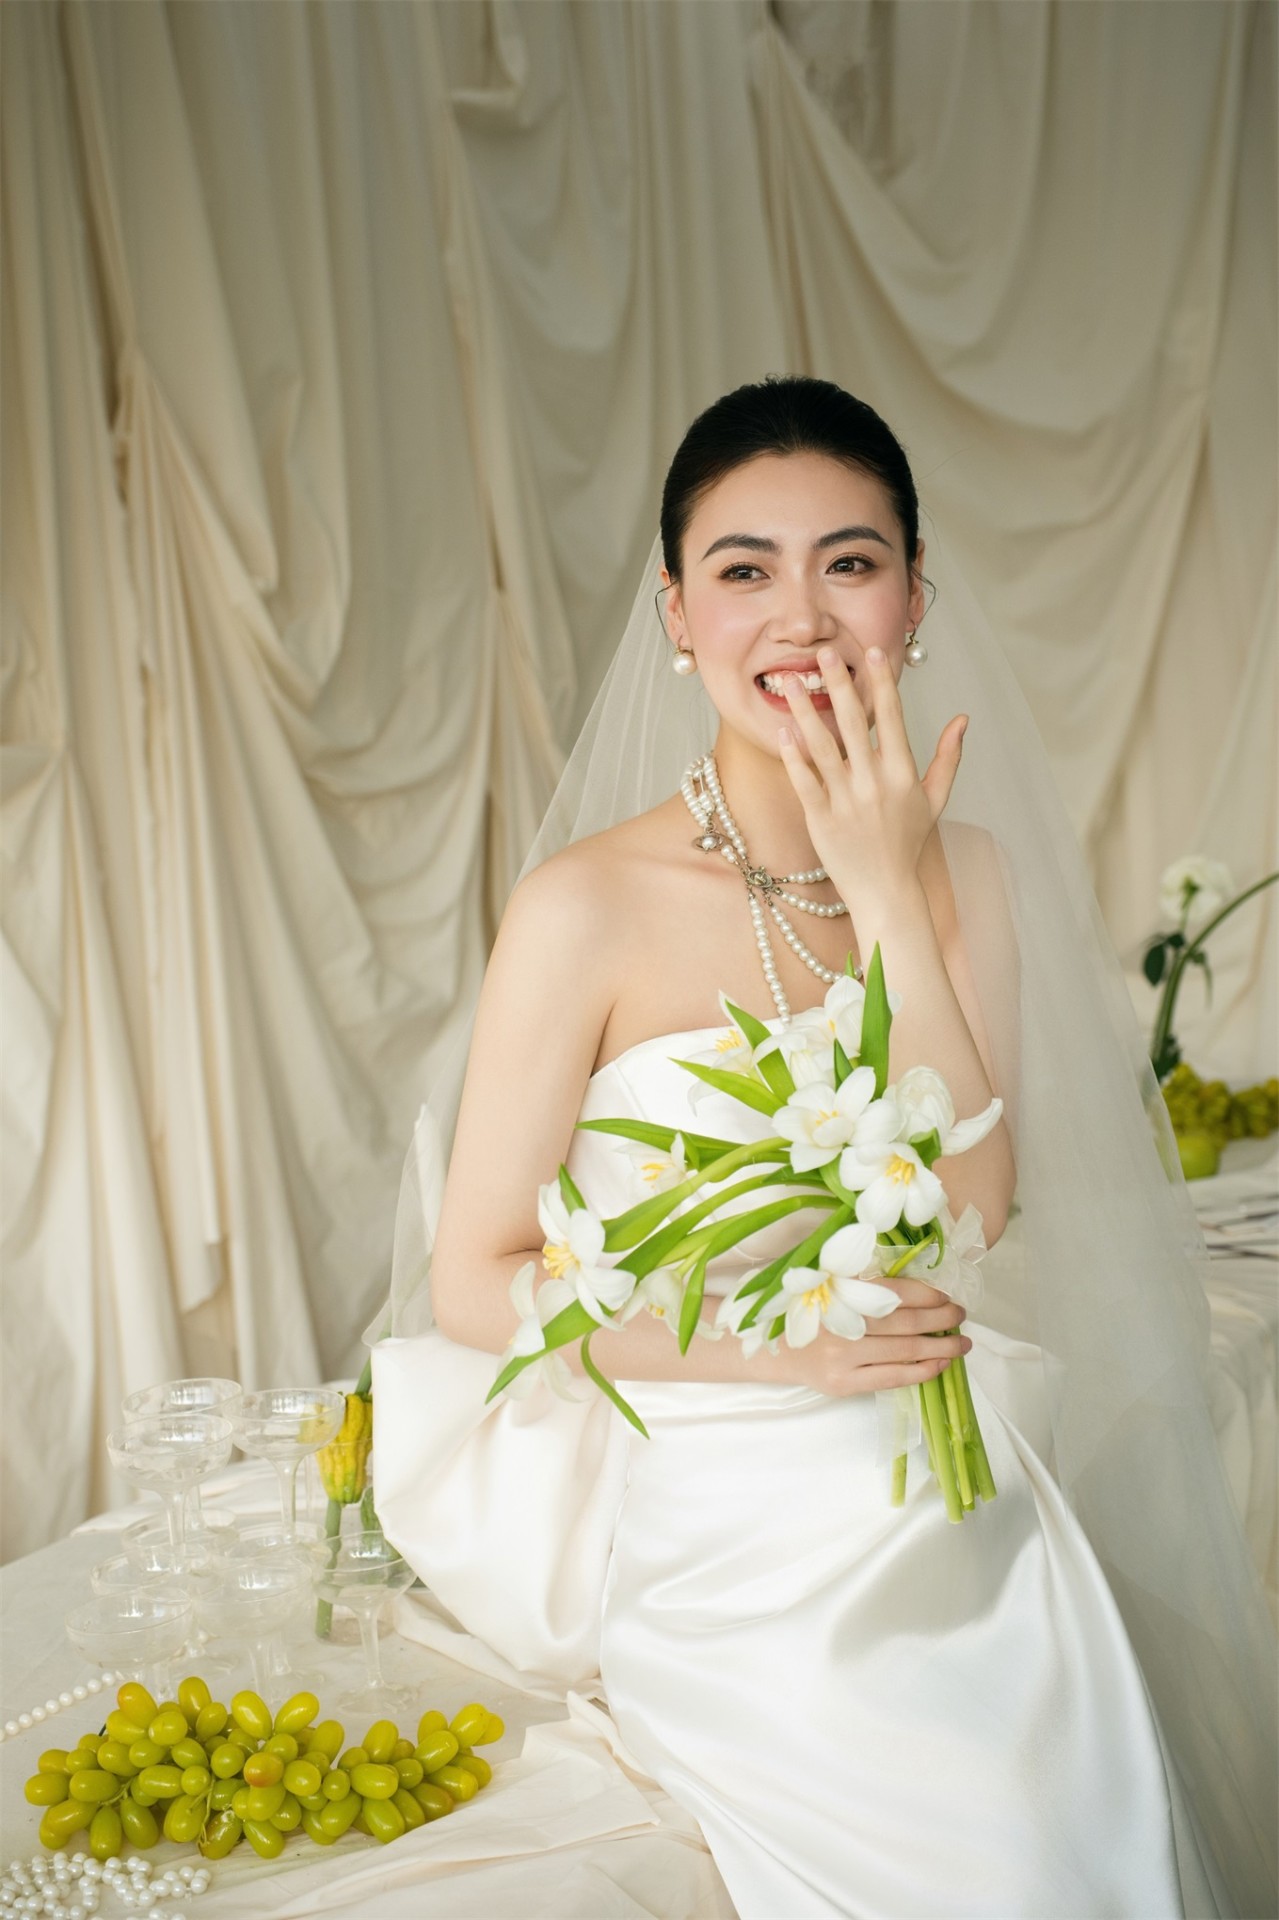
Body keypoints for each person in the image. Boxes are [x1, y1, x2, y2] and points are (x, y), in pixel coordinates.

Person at [373, 379, 1275, 1919]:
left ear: (913, 601)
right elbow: (476, 1280)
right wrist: (772, 1350)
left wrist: (887, 885)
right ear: (677, 614)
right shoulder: (584, 905)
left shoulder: (968, 872)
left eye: (850, 563)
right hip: (701, 1456)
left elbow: (970, 1204)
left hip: (924, 1432)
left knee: (1052, 1741)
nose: (800, 615)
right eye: (744, 570)